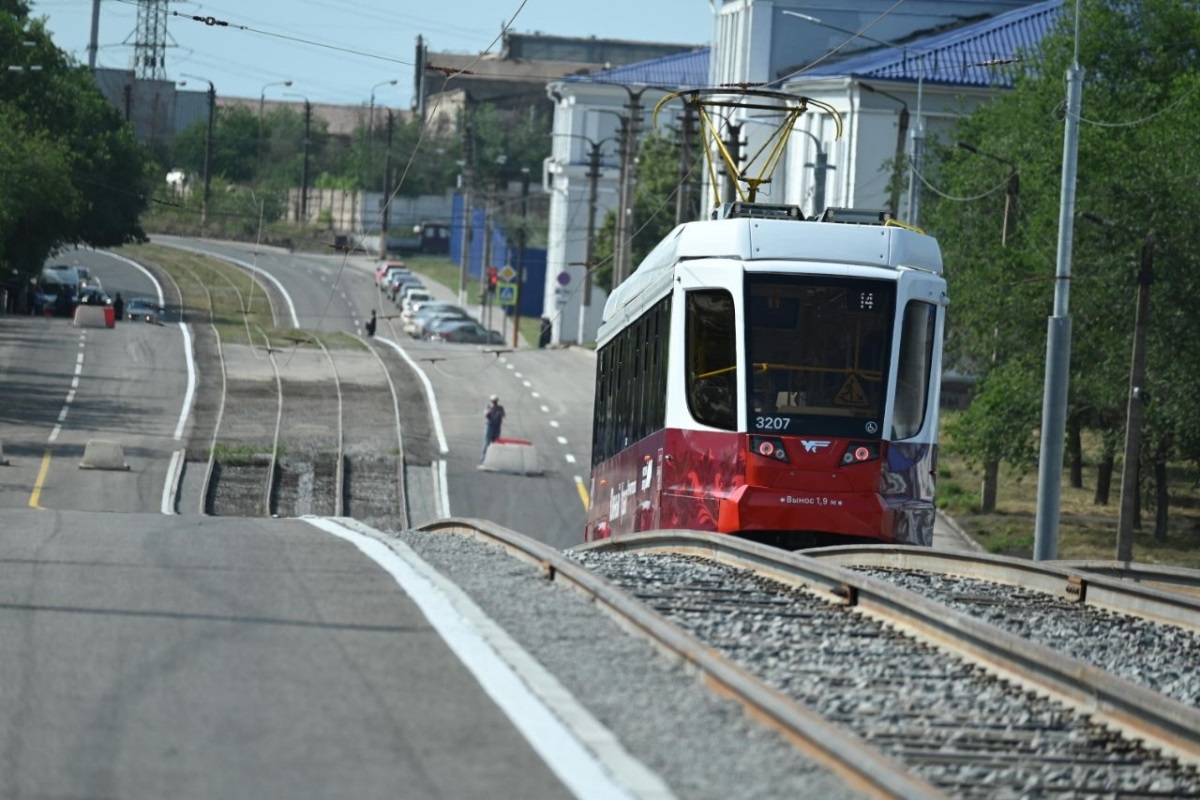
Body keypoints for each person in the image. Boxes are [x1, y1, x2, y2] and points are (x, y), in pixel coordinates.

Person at [481, 394, 505, 462]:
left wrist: (499, 411)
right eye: (493, 401)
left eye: (495, 401)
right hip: (489, 426)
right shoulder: (488, 407)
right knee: (487, 442)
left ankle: (494, 458)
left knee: (495, 443)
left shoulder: (500, 408)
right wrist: (491, 409)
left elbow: (504, 415)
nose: (494, 403)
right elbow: (485, 414)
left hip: (497, 427)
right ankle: (483, 457)